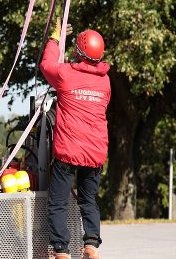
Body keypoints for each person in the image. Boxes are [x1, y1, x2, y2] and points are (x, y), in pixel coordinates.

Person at [40, 19, 111, 259]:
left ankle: (61, 250)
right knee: (88, 199)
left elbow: (46, 64)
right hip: (94, 153)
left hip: (68, 152)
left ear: (79, 51)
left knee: (58, 203)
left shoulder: (65, 74)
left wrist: (55, 38)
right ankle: (91, 245)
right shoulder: (105, 81)